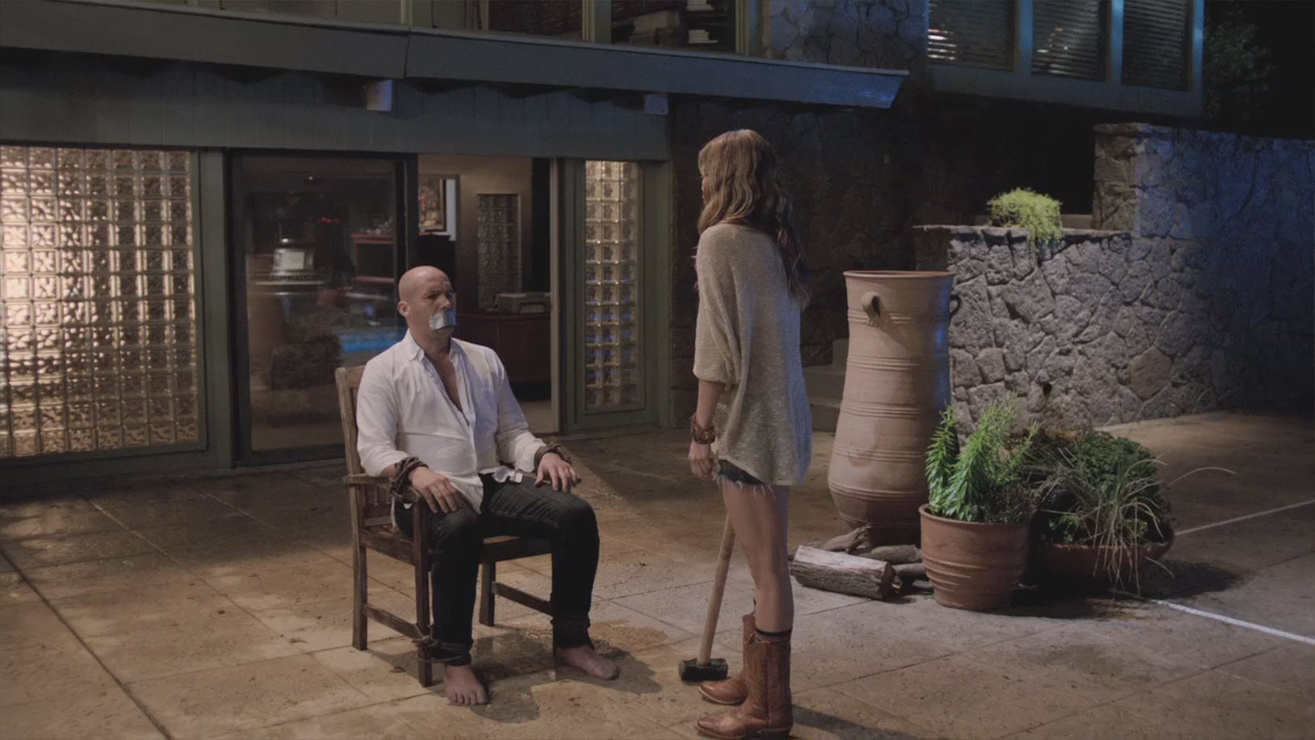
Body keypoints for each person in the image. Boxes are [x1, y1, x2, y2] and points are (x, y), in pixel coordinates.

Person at [355, 266, 619, 706]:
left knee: (575, 515)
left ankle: (572, 640)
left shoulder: (483, 359)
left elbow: (511, 432)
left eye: (449, 293)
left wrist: (542, 454)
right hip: (423, 497)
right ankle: (455, 658)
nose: (445, 303)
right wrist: (416, 472)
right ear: (405, 308)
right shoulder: (385, 370)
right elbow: (373, 448)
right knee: (459, 529)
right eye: (432, 296)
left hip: (487, 481)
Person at [687, 130, 812, 739]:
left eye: (706, 171)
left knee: (768, 570)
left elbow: (716, 349)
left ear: (725, 177)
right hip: (782, 416)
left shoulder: (720, 240)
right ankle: (755, 678)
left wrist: (701, 429)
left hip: (748, 424)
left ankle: (766, 709)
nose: (701, 182)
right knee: (767, 563)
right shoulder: (777, 243)